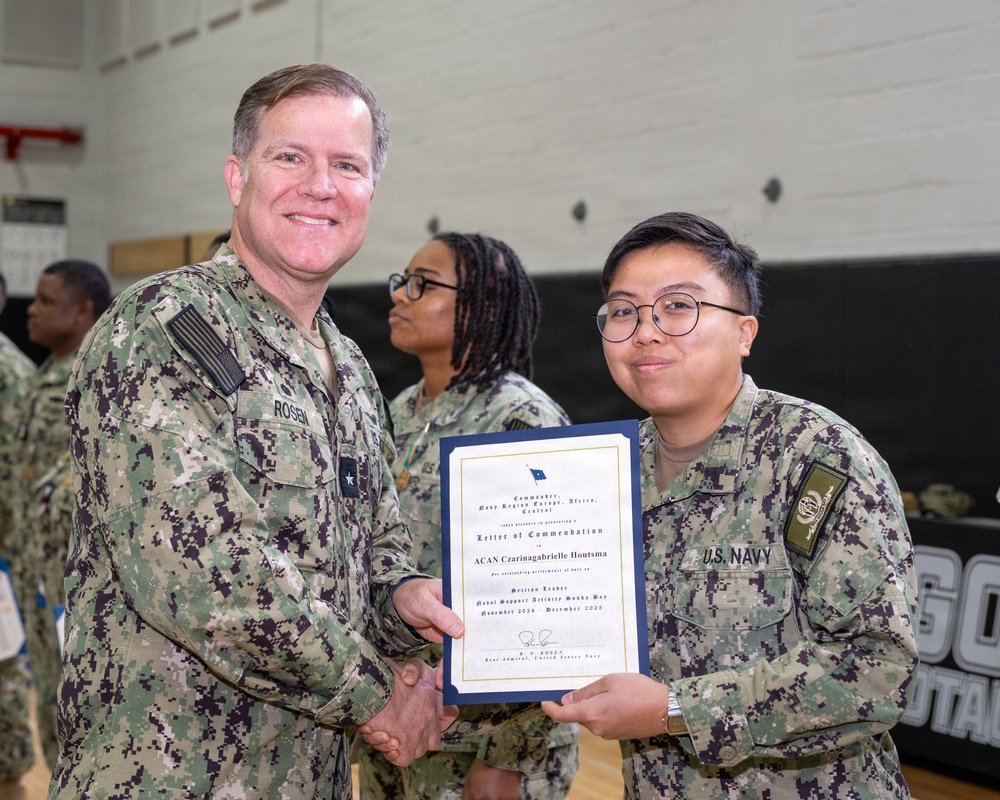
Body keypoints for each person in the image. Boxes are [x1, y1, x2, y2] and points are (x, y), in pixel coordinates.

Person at [50, 63, 464, 799]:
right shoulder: (161, 328)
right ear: (238, 178)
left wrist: (404, 602)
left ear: (371, 190)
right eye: (291, 157)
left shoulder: (350, 368)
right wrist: (380, 696)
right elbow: (204, 572)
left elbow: (372, 552)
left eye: (347, 165)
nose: (321, 186)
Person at [540, 212, 919, 799]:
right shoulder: (604, 474)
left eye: (678, 306)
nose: (646, 332)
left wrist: (674, 710)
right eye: (623, 311)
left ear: (744, 333)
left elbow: (876, 669)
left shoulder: (815, 458)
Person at [356, 233, 579, 799]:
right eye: (401, 281)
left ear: (482, 305)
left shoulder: (521, 418)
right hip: (399, 720)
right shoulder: (399, 410)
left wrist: (508, 754)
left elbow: (554, 596)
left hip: (484, 739)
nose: (399, 296)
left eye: (422, 285)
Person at [9, 259, 111, 773]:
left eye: (47, 302)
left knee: (81, 700)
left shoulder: (100, 377)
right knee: (48, 688)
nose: (32, 310)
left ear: (82, 311)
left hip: (75, 577)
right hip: (34, 565)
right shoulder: (45, 374)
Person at [0, 271, 36, 796]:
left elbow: (15, 467)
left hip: (5, 538)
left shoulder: (10, 371)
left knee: (4, 654)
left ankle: (9, 761)